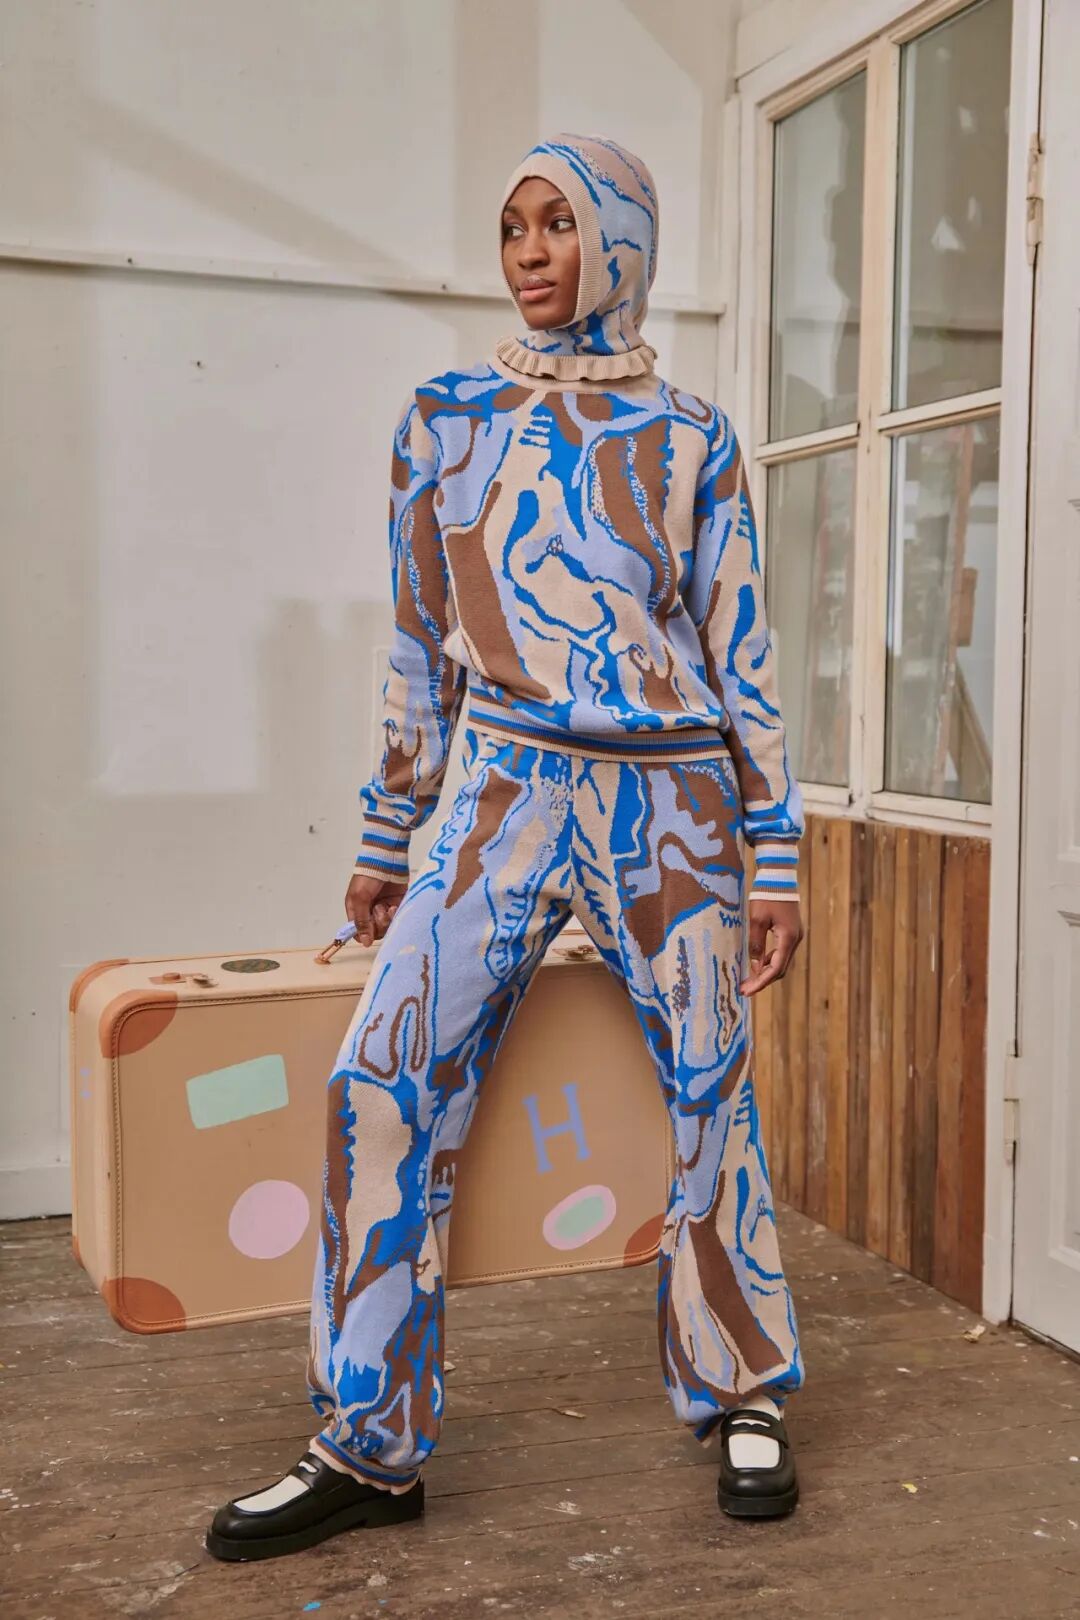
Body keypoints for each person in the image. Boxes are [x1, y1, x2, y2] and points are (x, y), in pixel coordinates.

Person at [206, 132, 806, 1564]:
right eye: (512, 227)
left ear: (621, 242)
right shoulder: (446, 418)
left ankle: (744, 1391)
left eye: (560, 224)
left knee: (710, 1091)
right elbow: (421, 637)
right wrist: (388, 826)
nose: (531, 253)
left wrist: (775, 848)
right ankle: (369, 1443)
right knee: (379, 1081)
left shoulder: (696, 436)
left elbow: (742, 650)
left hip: (674, 806)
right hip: (500, 789)